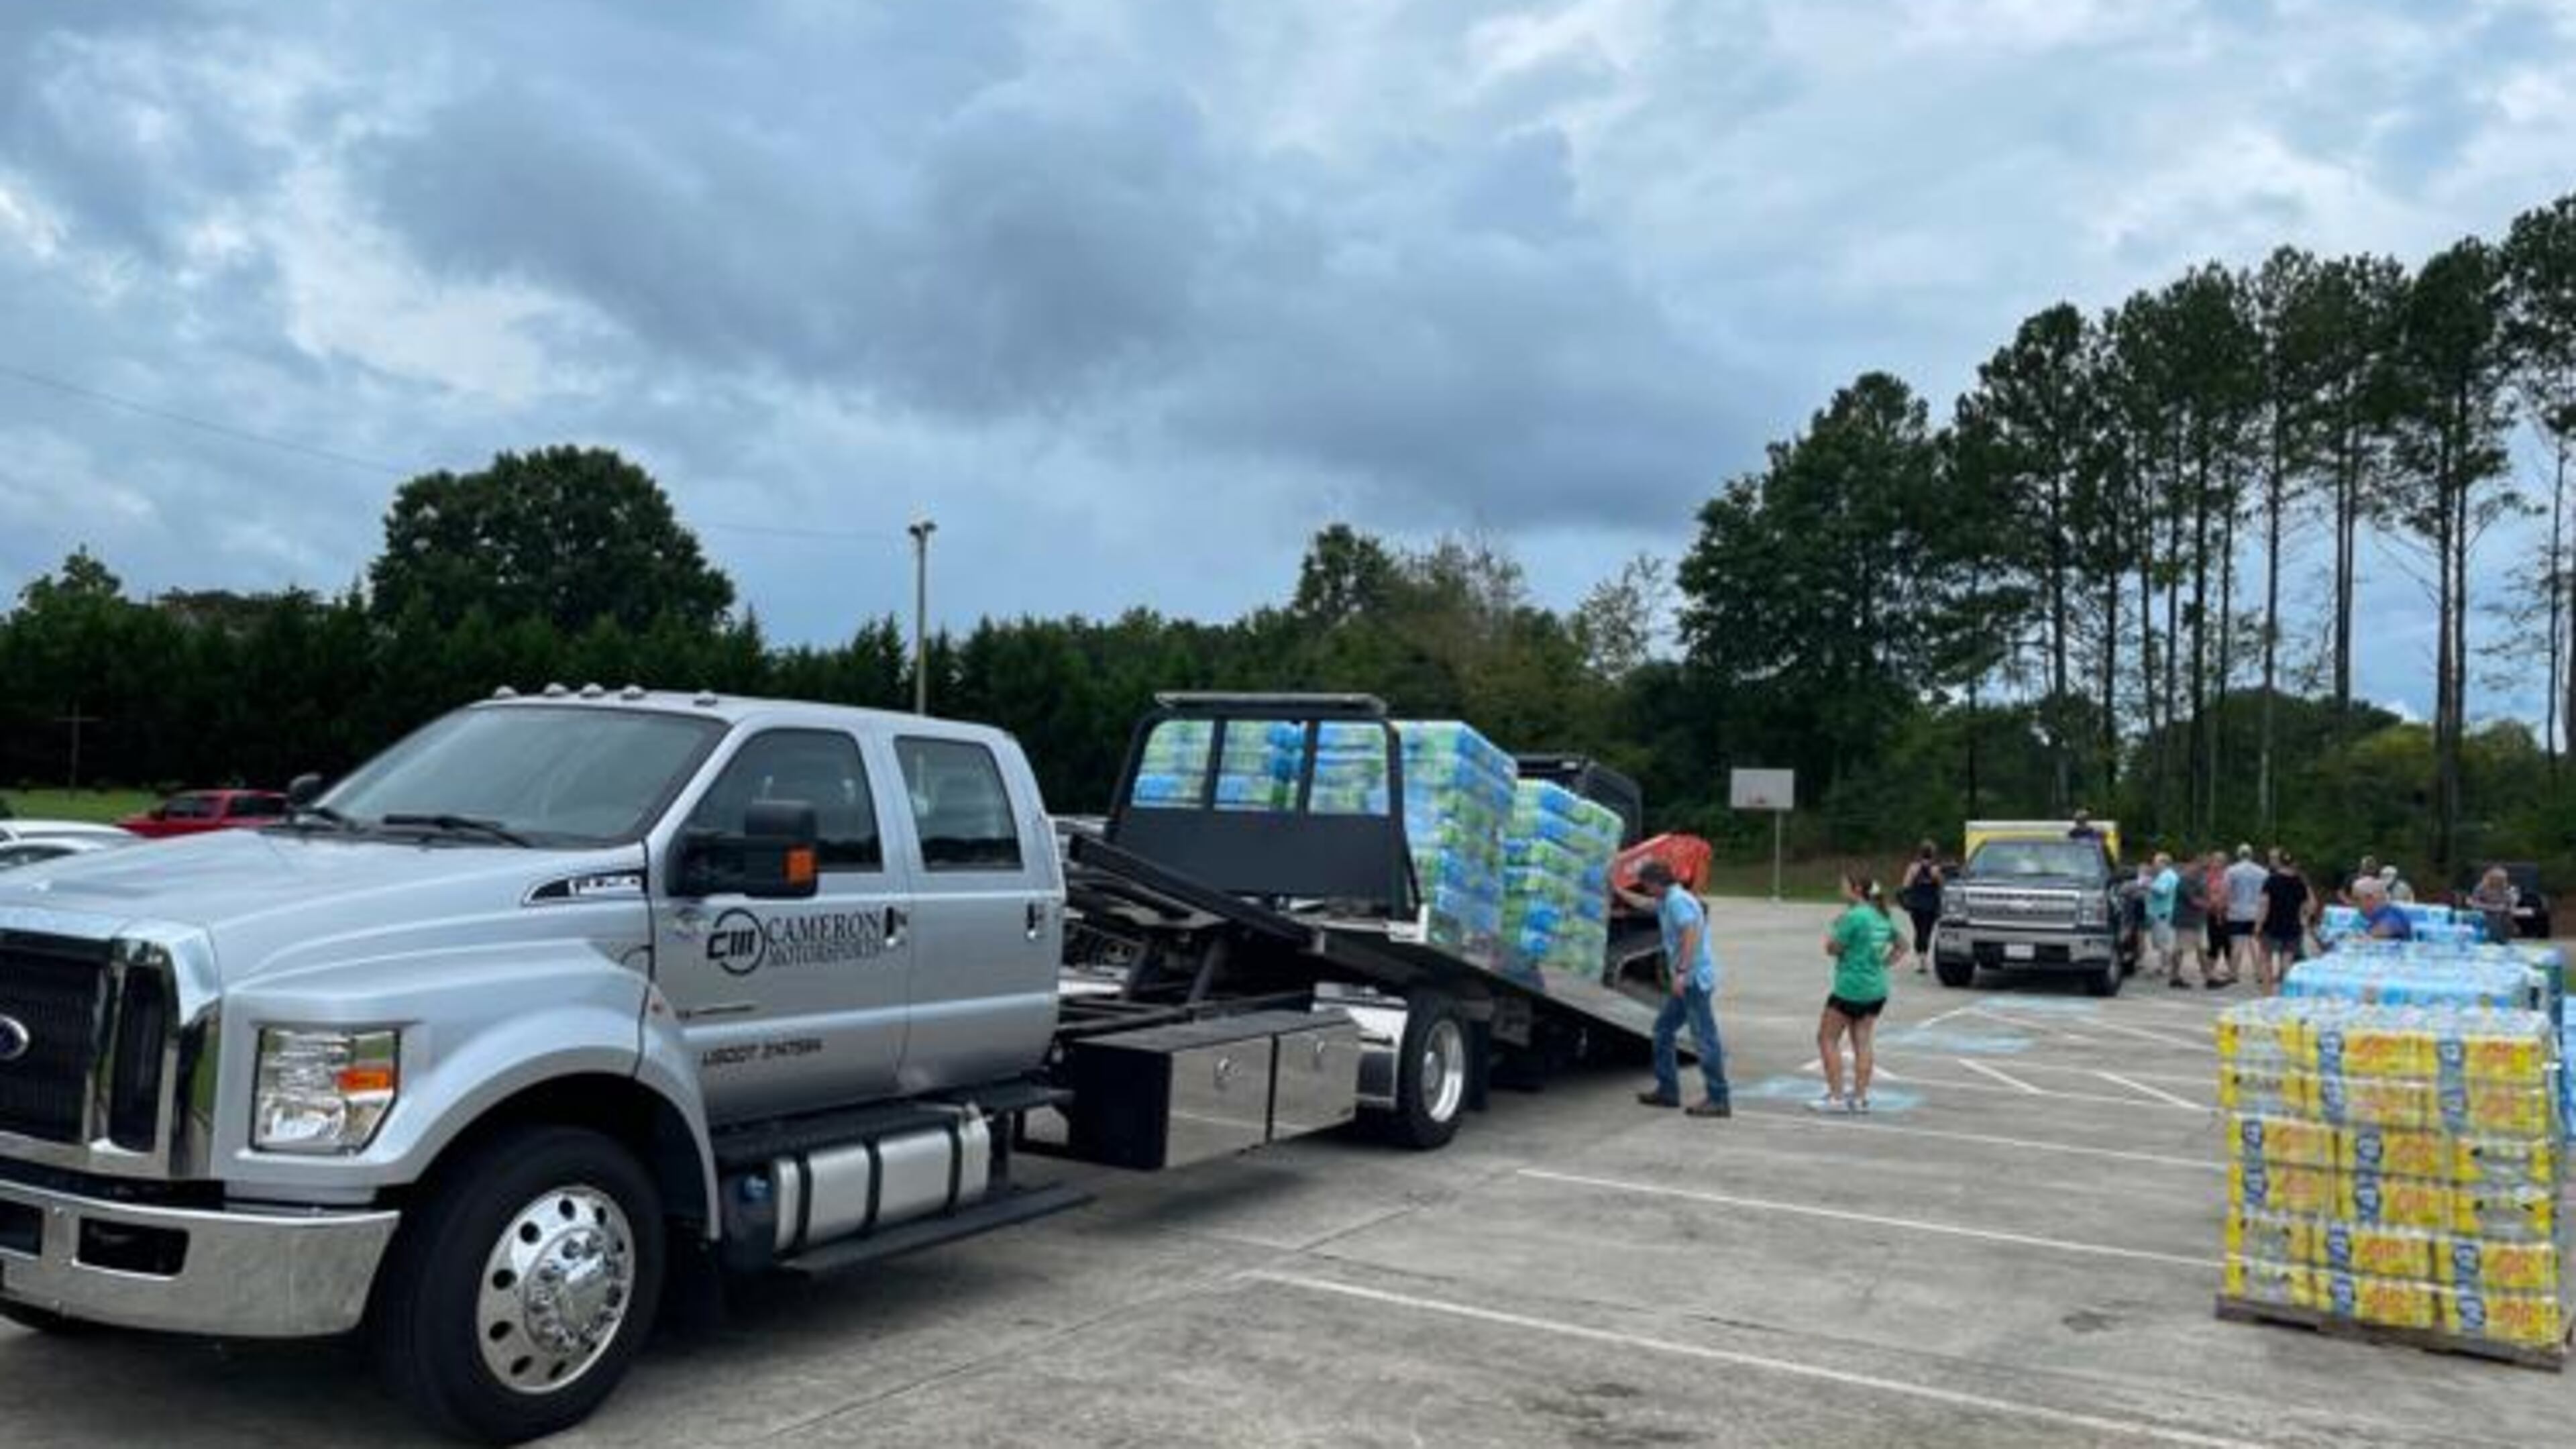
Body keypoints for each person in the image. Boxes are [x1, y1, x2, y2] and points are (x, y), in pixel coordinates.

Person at [1625, 859, 1731, 1118]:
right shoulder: (1668, 899)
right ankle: (1668, 1091)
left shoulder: (1677, 902)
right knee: (1662, 1030)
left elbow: (1690, 933)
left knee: (1705, 1039)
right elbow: (1646, 904)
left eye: (1647, 885)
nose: (1646, 890)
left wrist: (1681, 972)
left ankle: (1718, 1099)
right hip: (1690, 979)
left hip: (1694, 980)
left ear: (1656, 883)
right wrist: (1617, 892)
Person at [1813, 873, 1904, 1114]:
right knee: (1862, 1041)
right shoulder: (1881, 916)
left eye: (1844, 886)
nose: (1840, 889)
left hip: (1850, 989)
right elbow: (1902, 945)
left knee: (1827, 1038)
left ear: (1856, 889)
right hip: (1876, 990)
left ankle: (1836, 1097)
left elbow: (1832, 949)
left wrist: (1835, 929)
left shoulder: (1853, 917)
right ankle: (1861, 1098)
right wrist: (1883, 964)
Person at [2257, 849, 2310, 996]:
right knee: (2287, 964)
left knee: (2266, 961)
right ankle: (2284, 995)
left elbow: (2264, 905)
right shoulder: (2300, 883)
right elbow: (2306, 907)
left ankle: (2267, 994)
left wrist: (2258, 925)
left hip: (2271, 927)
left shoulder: (2271, 880)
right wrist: (2303, 921)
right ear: (2293, 863)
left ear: (2279, 862)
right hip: (2292, 927)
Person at [2224, 845, 2267, 984]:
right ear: (2251, 854)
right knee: (2256, 944)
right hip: (2256, 911)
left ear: (2238, 854)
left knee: (2237, 944)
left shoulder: (2231, 871)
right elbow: (2266, 894)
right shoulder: (2262, 872)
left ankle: (2233, 974)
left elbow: (2226, 891)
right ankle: (2259, 974)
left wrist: (2226, 908)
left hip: (2237, 911)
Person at [1898, 841, 1943, 973]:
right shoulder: (1936, 869)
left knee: (1919, 931)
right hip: (1931, 906)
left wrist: (1905, 900)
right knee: (1927, 931)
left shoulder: (1913, 867)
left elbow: (1905, 885)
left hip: (1916, 905)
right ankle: (1923, 959)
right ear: (1933, 854)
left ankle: (1921, 960)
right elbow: (1942, 885)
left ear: (1920, 853)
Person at [2171, 851, 2214, 988]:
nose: (2206, 869)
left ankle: (2209, 978)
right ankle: (2174, 977)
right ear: (2196, 863)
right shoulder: (2186, 878)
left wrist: (2208, 900)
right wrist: (2210, 905)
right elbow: (2193, 900)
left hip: (2197, 920)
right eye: (2204, 866)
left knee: (2202, 949)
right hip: (2186, 920)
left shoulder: (2200, 877)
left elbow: (2204, 895)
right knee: (2180, 949)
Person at [2144, 851, 2181, 983]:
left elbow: (2162, 891)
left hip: (2162, 913)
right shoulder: (2169, 875)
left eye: (2156, 862)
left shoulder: (2166, 876)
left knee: (2163, 942)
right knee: (2162, 941)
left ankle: (2167, 968)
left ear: (2164, 863)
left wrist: (2148, 885)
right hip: (2164, 912)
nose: (2154, 864)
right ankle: (2163, 966)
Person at [2198, 851, 2233, 988]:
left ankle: (2232, 973)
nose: (2218, 863)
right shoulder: (2209, 876)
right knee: (2215, 944)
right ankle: (2209, 975)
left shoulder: (2227, 875)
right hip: (2214, 914)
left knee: (2226, 944)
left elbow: (2228, 894)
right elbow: (2208, 894)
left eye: (2221, 861)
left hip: (2225, 913)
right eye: (2216, 860)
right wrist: (2216, 908)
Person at [2468, 866, 2519, 944]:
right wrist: (2490, 907)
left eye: (2501, 880)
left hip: (2502, 911)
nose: (2498, 882)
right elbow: (2473, 903)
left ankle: (2504, 938)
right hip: (2485, 911)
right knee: (2492, 917)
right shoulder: (2481, 888)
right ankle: (2495, 939)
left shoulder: (2507, 888)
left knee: (2504, 918)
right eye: (2496, 879)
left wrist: (2513, 899)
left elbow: (2511, 904)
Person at [2353, 875, 2414, 941]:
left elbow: (2384, 930)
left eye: (2357, 899)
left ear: (2369, 899)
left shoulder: (2393, 916)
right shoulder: (2369, 917)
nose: (2354, 904)